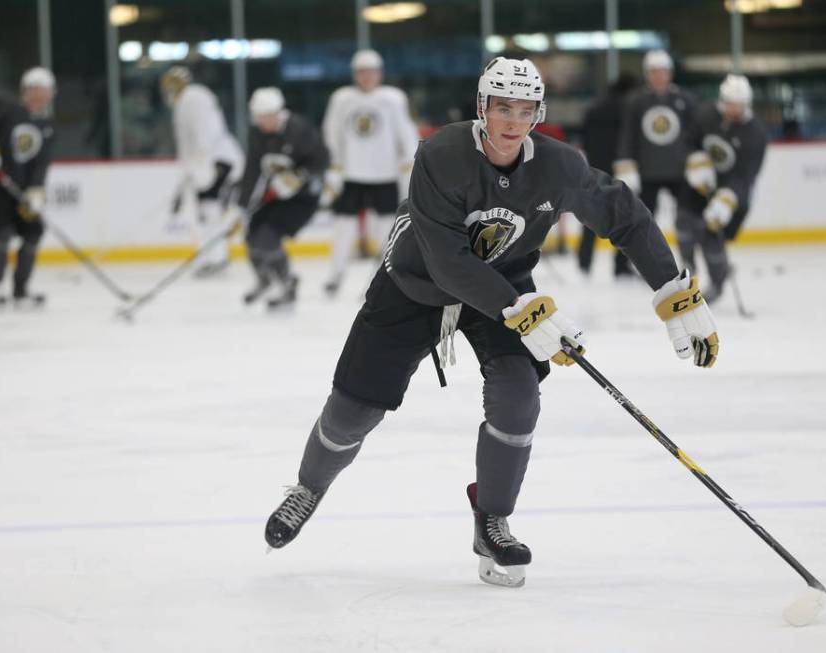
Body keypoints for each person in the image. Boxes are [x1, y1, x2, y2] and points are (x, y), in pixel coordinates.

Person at [262, 57, 720, 588]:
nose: (512, 120)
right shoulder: (440, 154)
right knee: (352, 413)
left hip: (503, 288)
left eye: (525, 109)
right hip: (414, 286)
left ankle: (492, 521)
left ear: (538, 113)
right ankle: (308, 487)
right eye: (501, 106)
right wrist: (522, 312)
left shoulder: (557, 165)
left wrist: (675, 294)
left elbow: (626, 216)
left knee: (518, 394)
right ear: (482, 108)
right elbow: (447, 260)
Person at [321, 48, 420, 296]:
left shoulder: (392, 98)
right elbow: (331, 132)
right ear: (356, 74)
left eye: (371, 72)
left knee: (387, 230)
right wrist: (335, 165)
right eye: (362, 72)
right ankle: (336, 275)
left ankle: (381, 277)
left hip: (384, 175)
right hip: (351, 174)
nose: (367, 77)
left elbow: (406, 132)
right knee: (344, 227)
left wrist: (409, 163)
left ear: (379, 73)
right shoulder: (342, 98)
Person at [0, 67, 56, 308]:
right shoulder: (6, 109)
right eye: (38, 90)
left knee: (33, 233)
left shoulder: (46, 124)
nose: (42, 96)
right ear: (27, 90)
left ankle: (21, 290)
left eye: (46, 91)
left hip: (24, 191)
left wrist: (36, 189)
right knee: (2, 233)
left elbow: (42, 162)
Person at [236, 87, 330, 309]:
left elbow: (322, 160)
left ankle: (288, 283)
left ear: (279, 113)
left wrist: (299, 177)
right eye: (260, 117)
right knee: (251, 234)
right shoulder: (257, 133)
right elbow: (252, 169)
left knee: (268, 237)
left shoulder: (299, 130)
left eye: (268, 116)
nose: (264, 122)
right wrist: (242, 204)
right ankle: (264, 279)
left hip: (304, 198)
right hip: (277, 194)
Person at [678, 74, 767, 303]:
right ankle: (687, 264)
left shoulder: (755, 133)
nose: (732, 110)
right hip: (701, 182)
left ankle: (718, 281)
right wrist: (695, 160)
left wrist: (726, 199)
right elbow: (688, 140)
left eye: (738, 105)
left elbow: (746, 175)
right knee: (684, 219)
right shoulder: (705, 114)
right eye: (729, 104)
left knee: (711, 233)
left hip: (733, 193)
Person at [613, 50, 698, 279]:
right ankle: (623, 264)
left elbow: (695, 133)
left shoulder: (685, 99)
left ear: (670, 73)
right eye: (654, 72)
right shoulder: (636, 101)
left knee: (686, 217)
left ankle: (690, 258)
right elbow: (627, 135)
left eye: (663, 71)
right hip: (647, 170)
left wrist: (697, 160)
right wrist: (626, 165)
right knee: (638, 218)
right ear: (648, 74)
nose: (659, 76)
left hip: (678, 170)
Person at [160, 66, 244, 278]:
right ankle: (213, 256)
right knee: (207, 212)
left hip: (218, 162)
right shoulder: (183, 103)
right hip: (206, 164)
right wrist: (184, 180)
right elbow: (187, 147)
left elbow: (207, 132)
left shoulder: (193, 98)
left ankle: (217, 258)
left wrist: (206, 166)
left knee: (210, 211)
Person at [578, 73, 638, 275]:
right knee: (623, 216)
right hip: (620, 167)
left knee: (592, 215)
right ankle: (621, 265)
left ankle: (584, 261)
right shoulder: (627, 108)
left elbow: (584, 136)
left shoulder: (594, 106)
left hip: (595, 167)